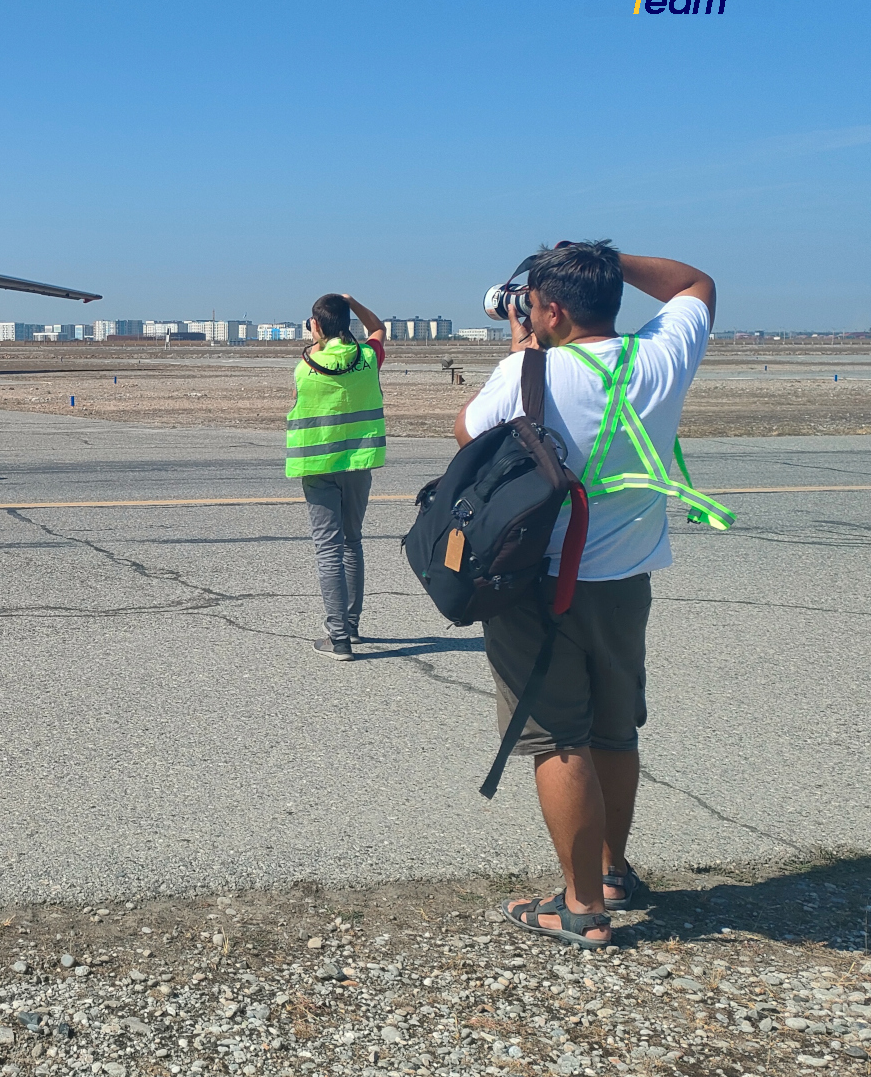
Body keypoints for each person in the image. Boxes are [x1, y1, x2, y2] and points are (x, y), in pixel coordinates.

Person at [455, 242, 725, 948]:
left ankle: (580, 909)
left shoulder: (528, 368)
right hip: (625, 582)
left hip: (535, 585)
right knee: (613, 730)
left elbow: (466, 435)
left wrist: (520, 347)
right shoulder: (661, 357)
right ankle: (610, 872)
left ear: (550, 309)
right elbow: (695, 282)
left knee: (557, 739)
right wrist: (601, 258)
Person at [286, 293, 388, 661]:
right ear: (346, 325)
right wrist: (353, 302)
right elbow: (378, 328)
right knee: (351, 542)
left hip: (318, 467)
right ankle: (352, 626)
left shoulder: (305, 366)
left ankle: (338, 637)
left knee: (328, 549)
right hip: (358, 464)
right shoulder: (367, 358)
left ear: (315, 326)